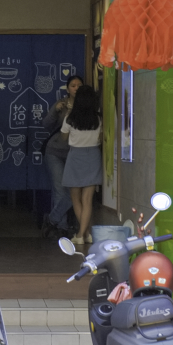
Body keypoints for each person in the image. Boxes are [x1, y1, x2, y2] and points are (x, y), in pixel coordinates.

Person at [41, 75, 84, 237]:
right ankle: (62, 227)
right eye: (73, 85)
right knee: (59, 188)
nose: (76, 88)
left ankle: (53, 220)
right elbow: (46, 124)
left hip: (76, 153)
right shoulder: (62, 104)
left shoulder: (86, 106)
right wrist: (55, 110)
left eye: (79, 85)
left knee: (74, 190)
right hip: (55, 151)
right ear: (67, 89)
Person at [61, 83, 103, 244]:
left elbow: (64, 138)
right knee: (87, 200)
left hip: (75, 156)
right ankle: (86, 233)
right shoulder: (98, 119)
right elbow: (102, 137)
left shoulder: (70, 118)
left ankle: (80, 235)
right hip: (93, 155)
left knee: (75, 198)